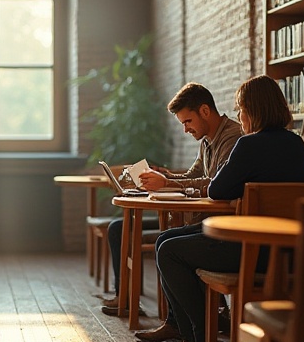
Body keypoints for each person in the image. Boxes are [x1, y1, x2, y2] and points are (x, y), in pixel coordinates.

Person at [140, 74, 304, 342]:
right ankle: (190, 338)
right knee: (166, 240)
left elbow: (218, 188)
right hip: (292, 251)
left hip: (253, 251)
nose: (238, 115)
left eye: (241, 108)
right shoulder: (297, 144)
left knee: (168, 250)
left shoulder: (247, 145)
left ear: (254, 110)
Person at [99, 82, 243, 315]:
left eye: (188, 121)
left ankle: (185, 320)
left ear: (205, 111)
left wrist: (167, 183)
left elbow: (213, 184)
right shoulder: (207, 140)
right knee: (118, 227)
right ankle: (126, 299)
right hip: (196, 216)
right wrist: (166, 176)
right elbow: (192, 177)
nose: (186, 129)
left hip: (212, 222)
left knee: (166, 242)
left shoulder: (233, 138)